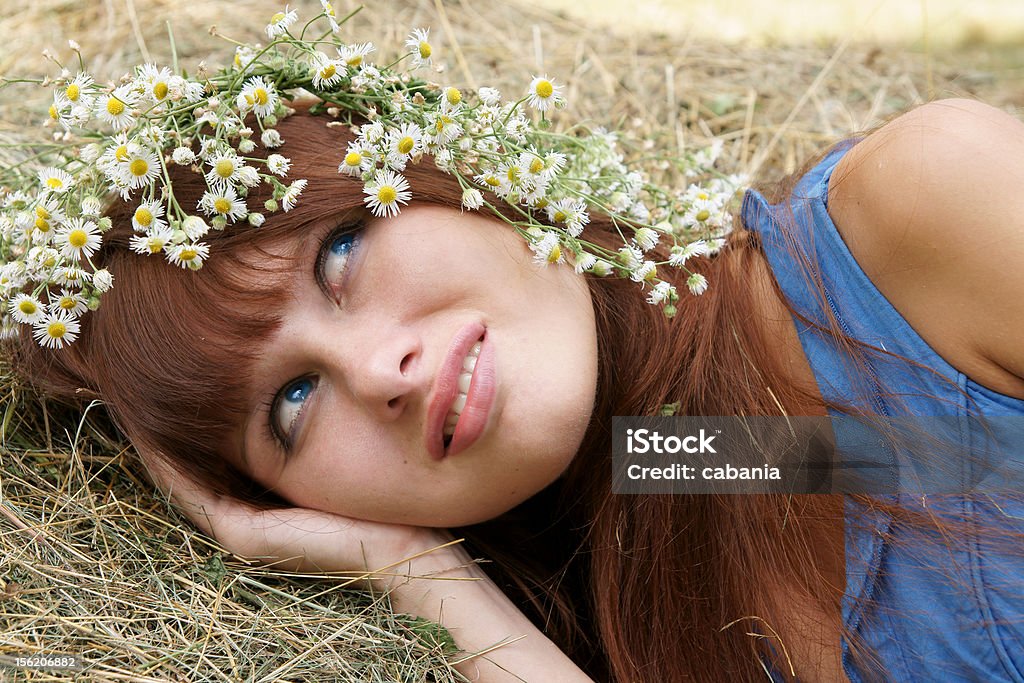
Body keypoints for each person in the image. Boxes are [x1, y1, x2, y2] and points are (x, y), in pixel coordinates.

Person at [5, 9, 1024, 682]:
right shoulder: (677, 463)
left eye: (344, 250)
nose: (377, 373)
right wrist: (412, 571)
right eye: (291, 402)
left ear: (449, 171)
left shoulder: (924, 216)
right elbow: (927, 457)